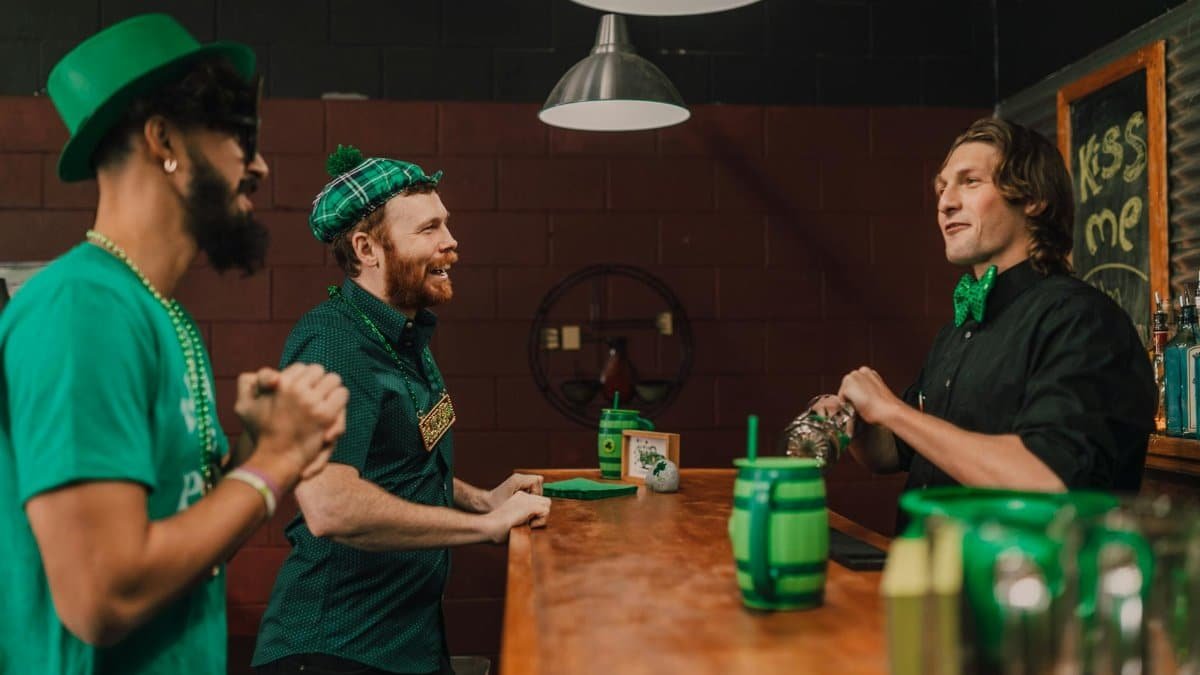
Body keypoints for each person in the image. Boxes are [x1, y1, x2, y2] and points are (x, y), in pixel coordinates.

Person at [0, 13, 349, 675]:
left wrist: (256, 450)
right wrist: (271, 464)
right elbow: (102, 594)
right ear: (165, 139)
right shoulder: (83, 308)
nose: (261, 165)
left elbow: (184, 537)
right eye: (240, 138)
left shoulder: (161, 313)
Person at [253, 146, 551, 675]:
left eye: (447, 224)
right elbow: (329, 506)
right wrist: (486, 528)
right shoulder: (334, 342)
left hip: (408, 644)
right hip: (335, 648)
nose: (451, 241)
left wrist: (483, 501)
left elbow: (398, 461)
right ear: (368, 248)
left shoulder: (404, 335)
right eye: (429, 228)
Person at [820, 117, 1155, 515]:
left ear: (1033, 198)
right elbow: (893, 453)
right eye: (943, 187)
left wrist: (892, 409)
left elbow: (1049, 480)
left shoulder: (1081, 320)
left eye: (970, 181)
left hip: (1016, 574)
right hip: (928, 569)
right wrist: (857, 421)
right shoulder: (960, 329)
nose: (945, 202)